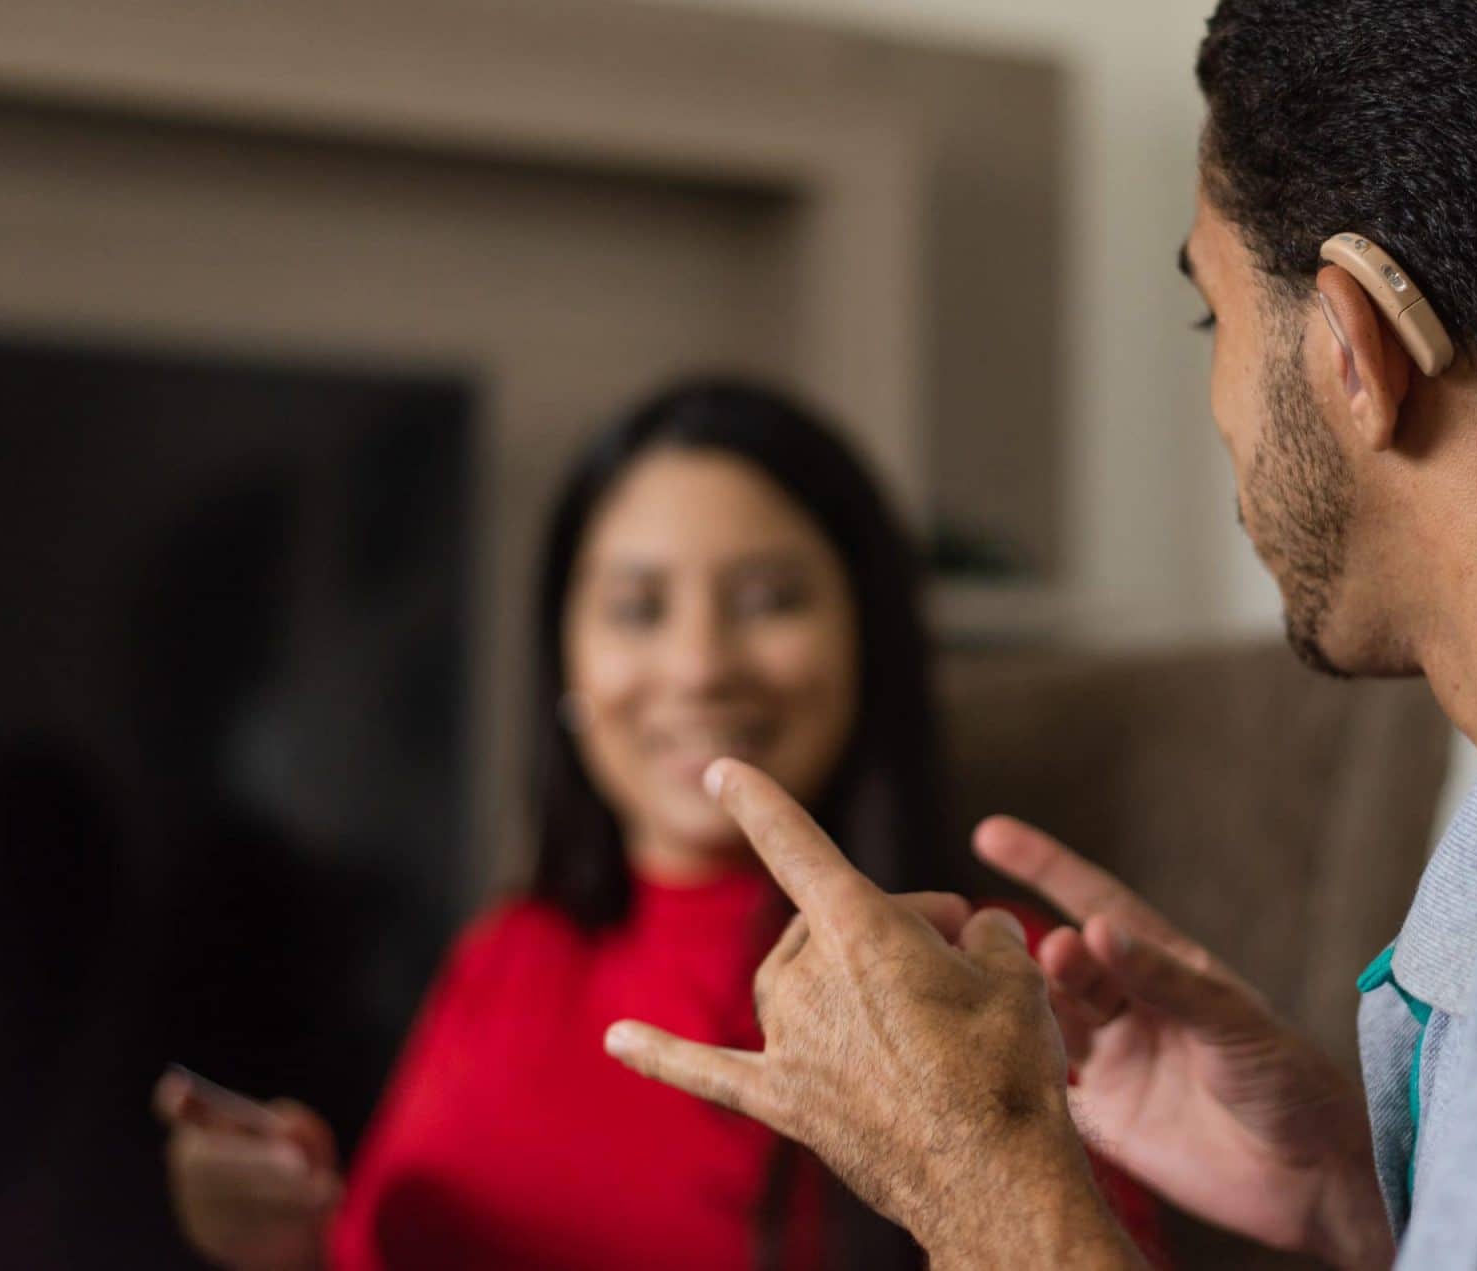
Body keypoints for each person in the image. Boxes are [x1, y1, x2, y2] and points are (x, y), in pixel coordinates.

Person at [605, 0, 1477, 1268]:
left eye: (1212, 314)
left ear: (1361, 342)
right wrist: (1369, 1193)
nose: (1220, 403)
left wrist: (984, 1177)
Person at [154, 379, 1156, 1271]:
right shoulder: (505, 953)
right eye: (636, 607)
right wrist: (282, 1242)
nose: (696, 664)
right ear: (567, 668)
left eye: (767, 599)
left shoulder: (992, 972)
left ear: (867, 640)